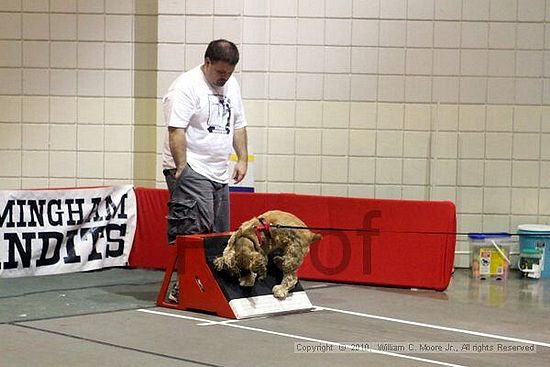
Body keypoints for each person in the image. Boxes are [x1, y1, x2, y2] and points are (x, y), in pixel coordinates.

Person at [161, 39, 248, 303]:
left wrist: (242, 159)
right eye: (220, 72)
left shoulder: (231, 85)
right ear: (207, 62)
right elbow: (176, 129)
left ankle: (209, 286)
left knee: (219, 233)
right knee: (193, 230)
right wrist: (182, 169)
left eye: (229, 73)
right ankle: (183, 287)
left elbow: (239, 124)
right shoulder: (185, 87)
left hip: (218, 170)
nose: (224, 78)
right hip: (192, 167)